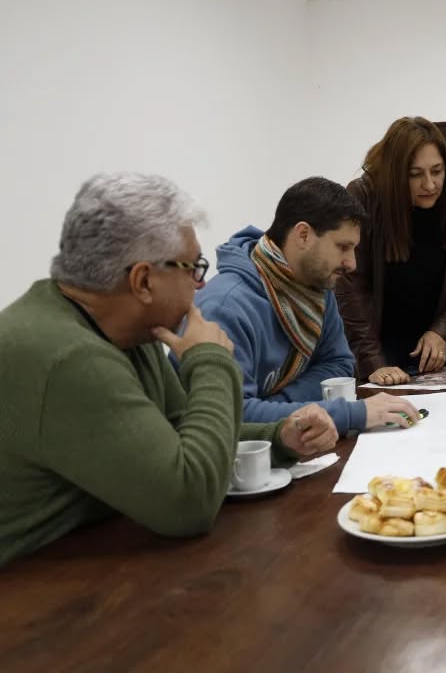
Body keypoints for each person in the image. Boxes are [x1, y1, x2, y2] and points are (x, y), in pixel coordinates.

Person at [0, 173, 338, 567]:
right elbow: (189, 503)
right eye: (193, 267)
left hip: (97, 555)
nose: (201, 284)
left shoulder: (128, 330)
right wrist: (211, 361)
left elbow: (180, 433)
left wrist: (278, 438)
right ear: (143, 280)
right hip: (30, 585)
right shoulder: (69, 357)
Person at [195, 176, 420, 434]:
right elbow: (233, 416)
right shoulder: (225, 307)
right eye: (343, 247)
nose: (351, 263)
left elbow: (339, 366)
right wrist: (349, 414)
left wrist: (274, 406)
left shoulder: (316, 287)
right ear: (303, 235)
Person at [336, 117, 446, 387]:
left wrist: (441, 331)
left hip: (438, 359)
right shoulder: (365, 197)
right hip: (376, 355)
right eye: (415, 174)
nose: (430, 185)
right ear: (394, 172)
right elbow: (350, 289)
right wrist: (373, 362)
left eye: (437, 171)